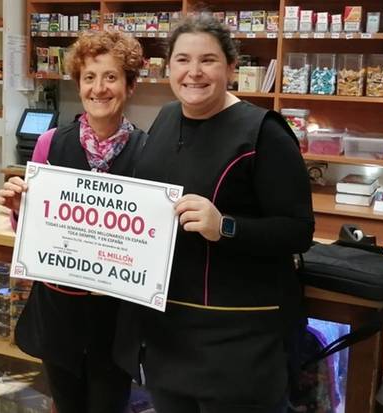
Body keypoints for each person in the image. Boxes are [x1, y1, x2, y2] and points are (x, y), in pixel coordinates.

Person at [113, 14, 315, 413]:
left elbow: (298, 231)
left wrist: (225, 226)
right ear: (168, 67)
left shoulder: (264, 132)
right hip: (168, 332)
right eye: (183, 60)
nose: (194, 72)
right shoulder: (166, 118)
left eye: (208, 60)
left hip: (238, 341)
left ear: (231, 67)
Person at [0, 30, 147, 413]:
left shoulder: (148, 152)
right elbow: (33, 232)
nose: (99, 88)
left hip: (114, 319)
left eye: (111, 77)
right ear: (78, 84)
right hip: (58, 313)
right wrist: (20, 209)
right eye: (89, 77)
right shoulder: (50, 143)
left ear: (130, 85)